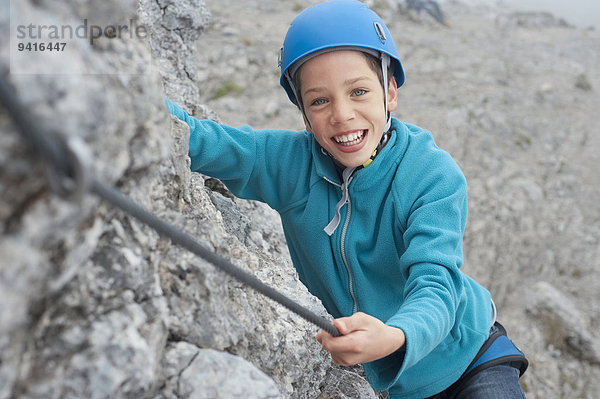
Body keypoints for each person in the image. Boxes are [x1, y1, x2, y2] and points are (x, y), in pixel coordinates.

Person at [166, 0, 527, 397]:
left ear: (390, 92)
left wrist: (394, 335)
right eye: (319, 100)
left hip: (468, 360)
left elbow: (436, 285)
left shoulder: (432, 176)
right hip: (387, 380)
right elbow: (203, 140)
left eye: (358, 91)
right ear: (303, 112)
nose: (342, 115)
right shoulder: (290, 165)